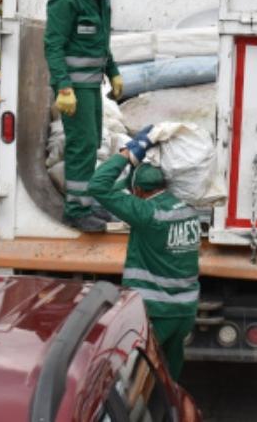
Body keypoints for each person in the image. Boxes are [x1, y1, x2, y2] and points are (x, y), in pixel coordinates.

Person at [87, 126, 201, 380]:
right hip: (185, 311)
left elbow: (99, 186)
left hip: (158, 311)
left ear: (138, 191)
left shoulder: (146, 214)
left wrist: (128, 155)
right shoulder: (188, 209)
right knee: (169, 377)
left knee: (139, 377)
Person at [44, 0, 127, 232]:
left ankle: (87, 202)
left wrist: (113, 72)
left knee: (91, 145)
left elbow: (101, 42)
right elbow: (53, 46)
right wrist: (63, 87)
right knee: (81, 147)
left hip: (92, 87)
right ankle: (76, 211)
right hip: (74, 89)